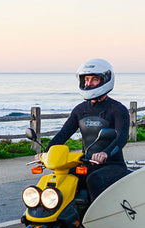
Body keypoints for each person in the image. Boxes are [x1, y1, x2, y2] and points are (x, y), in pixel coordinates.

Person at [38, 58, 131, 200]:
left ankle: (99, 218)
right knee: (64, 177)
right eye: (86, 79)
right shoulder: (80, 110)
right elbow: (63, 134)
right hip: (87, 162)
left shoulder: (117, 109)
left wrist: (105, 154)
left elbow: (122, 137)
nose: (89, 83)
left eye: (94, 79)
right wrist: (45, 153)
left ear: (105, 80)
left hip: (113, 165)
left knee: (94, 179)